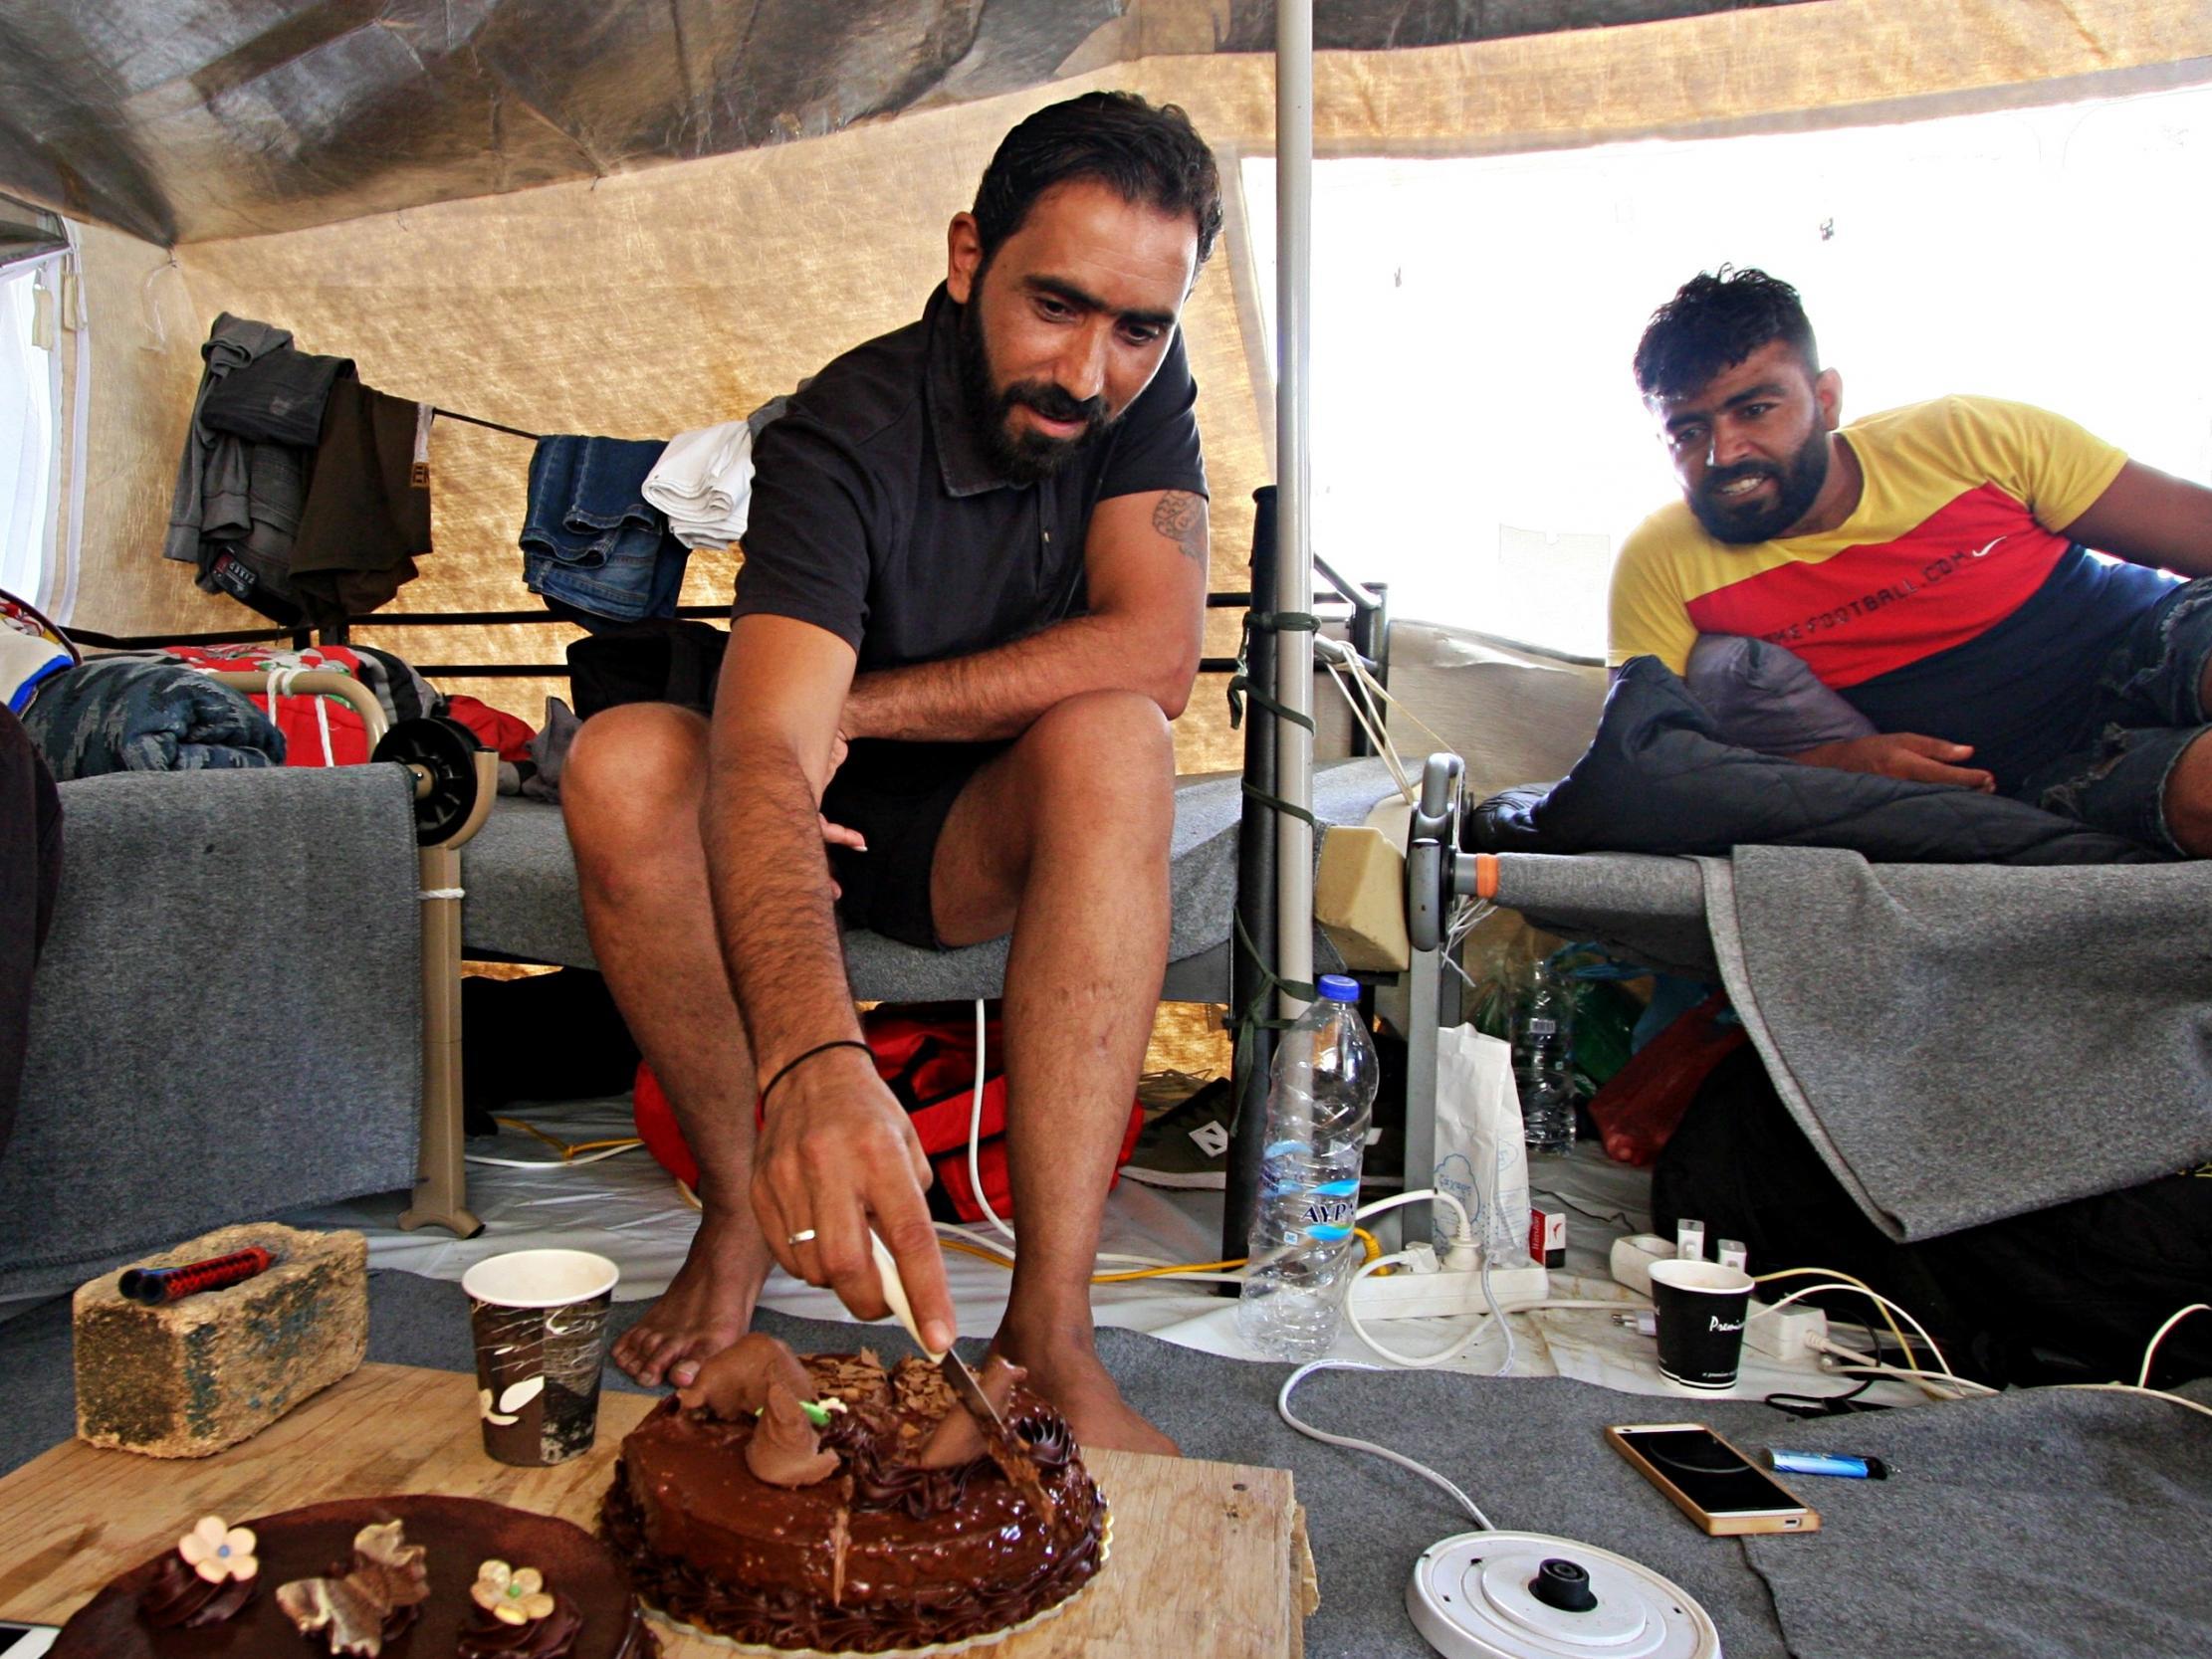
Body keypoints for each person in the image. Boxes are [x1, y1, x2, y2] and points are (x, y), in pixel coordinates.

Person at [559, 91, 1220, 1454]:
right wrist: (812, 1053)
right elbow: (761, 751)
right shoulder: (837, 434)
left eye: (1135, 328)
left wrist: (870, 705)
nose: (1088, 373)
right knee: (625, 760)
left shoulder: (1145, 400)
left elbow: (1154, 649)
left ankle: (1049, 1325)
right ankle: (738, 1211)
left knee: (1118, 734)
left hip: (971, 821)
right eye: (1054, 305)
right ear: (968, 255)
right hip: (800, 822)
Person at [1610, 266, 2212, 855]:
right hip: (2038, 771)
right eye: (1688, 432)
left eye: (1756, 410)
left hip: (2151, 642)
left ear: (1826, 399)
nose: (1724, 453)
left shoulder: (1966, 436)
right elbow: (1644, 766)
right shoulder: (1661, 560)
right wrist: (1829, 766)